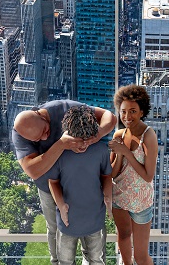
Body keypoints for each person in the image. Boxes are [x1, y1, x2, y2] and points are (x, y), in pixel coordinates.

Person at [12, 100, 116, 265]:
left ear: (41, 115)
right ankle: (57, 262)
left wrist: (96, 136)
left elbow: (109, 117)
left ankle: (88, 260)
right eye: (38, 139)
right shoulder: (20, 133)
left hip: (82, 184)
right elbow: (32, 170)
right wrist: (61, 145)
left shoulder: (64, 108)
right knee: (55, 229)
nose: (45, 137)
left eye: (45, 131)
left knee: (89, 230)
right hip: (48, 187)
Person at [49, 105, 112, 265]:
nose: (83, 145)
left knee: (97, 261)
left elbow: (106, 175)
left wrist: (108, 197)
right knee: (65, 261)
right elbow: (53, 181)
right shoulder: (59, 152)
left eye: (87, 140)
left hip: (95, 220)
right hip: (67, 222)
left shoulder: (101, 150)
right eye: (78, 141)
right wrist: (61, 205)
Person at [109, 85, 157, 265]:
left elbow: (148, 176)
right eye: (123, 112)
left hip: (141, 201)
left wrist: (127, 152)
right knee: (123, 238)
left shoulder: (149, 136)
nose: (127, 117)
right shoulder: (119, 134)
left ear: (142, 111)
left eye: (133, 111)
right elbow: (112, 173)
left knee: (141, 257)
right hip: (119, 197)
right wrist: (120, 154)